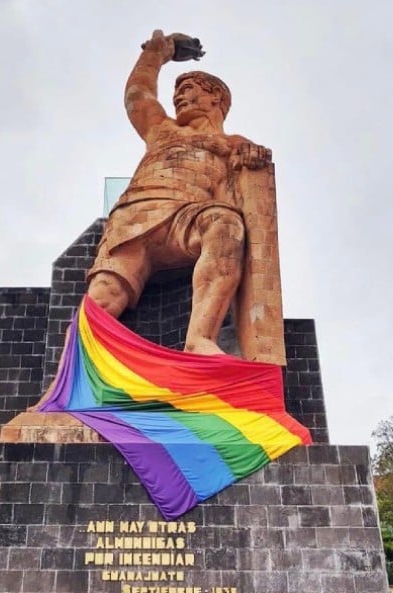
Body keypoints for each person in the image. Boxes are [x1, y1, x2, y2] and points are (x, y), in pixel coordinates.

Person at [86, 30, 272, 355]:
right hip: (135, 217)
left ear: (216, 97)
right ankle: (64, 386)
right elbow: (138, 94)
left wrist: (252, 156)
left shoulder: (232, 144)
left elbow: (252, 167)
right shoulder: (163, 129)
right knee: (103, 297)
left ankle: (200, 340)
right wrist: (158, 52)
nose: (178, 98)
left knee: (225, 224)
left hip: (187, 219)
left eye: (188, 90)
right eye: (176, 93)